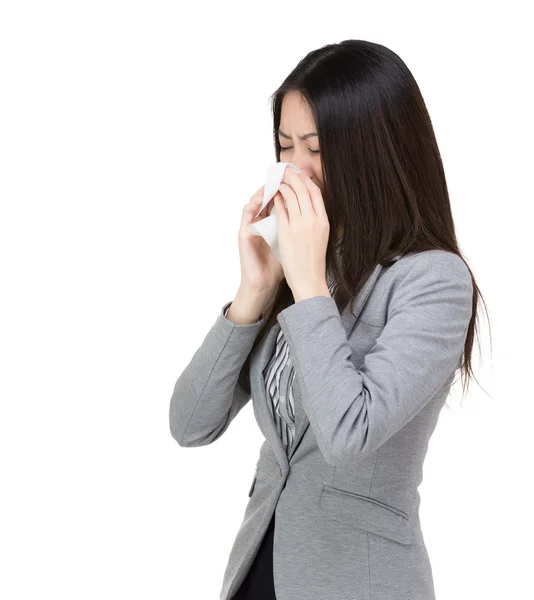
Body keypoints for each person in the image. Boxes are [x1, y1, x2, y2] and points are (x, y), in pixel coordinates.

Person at [169, 39, 489, 600]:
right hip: (257, 573)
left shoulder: (433, 280)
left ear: (376, 151)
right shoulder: (300, 266)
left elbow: (349, 435)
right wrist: (255, 291)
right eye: (285, 146)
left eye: (316, 149)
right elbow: (190, 424)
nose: (295, 171)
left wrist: (308, 284)